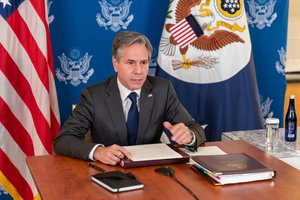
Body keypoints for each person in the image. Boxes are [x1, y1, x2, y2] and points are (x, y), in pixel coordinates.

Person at [53, 31, 206, 165]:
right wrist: (98, 151)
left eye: (144, 63)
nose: (138, 71)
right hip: (109, 172)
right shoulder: (94, 95)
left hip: (151, 172)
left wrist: (189, 136)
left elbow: (195, 128)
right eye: (130, 63)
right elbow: (63, 140)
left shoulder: (162, 89)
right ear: (115, 63)